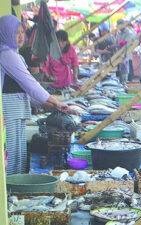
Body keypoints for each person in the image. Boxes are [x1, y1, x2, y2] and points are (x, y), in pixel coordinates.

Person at [0, 15, 77, 174]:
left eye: (22, 31)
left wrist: (51, 105)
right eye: (16, 32)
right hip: (9, 113)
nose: (21, 36)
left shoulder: (16, 55)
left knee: (17, 156)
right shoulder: (7, 54)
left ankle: (14, 190)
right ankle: (11, 191)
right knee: (11, 158)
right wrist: (56, 102)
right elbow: (30, 84)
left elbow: (25, 91)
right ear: (5, 33)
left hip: (16, 112)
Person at [115, 19, 136, 84]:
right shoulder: (119, 33)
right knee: (120, 76)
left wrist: (117, 45)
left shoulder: (129, 32)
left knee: (128, 77)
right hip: (119, 57)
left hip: (127, 57)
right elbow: (116, 43)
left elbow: (125, 43)